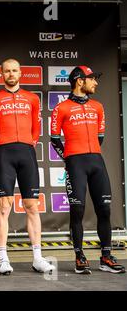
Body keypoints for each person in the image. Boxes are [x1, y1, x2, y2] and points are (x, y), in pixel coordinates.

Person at [51, 65, 125, 274]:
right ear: (79, 81)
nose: (96, 82)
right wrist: (69, 157)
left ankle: (106, 256)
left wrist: (89, 150)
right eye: (92, 78)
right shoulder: (62, 108)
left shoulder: (98, 106)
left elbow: (100, 137)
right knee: (78, 211)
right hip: (76, 163)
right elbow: (54, 138)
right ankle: (79, 256)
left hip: (96, 162)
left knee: (105, 209)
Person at [0, 58, 55, 275]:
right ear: (2, 74)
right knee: (4, 206)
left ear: (20, 73)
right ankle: (3, 258)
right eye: (6, 71)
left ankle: (37, 258)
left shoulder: (32, 98)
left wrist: (30, 143)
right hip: (5, 152)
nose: (11, 74)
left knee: (32, 206)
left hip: (27, 152)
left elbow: (36, 126)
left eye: (14, 70)